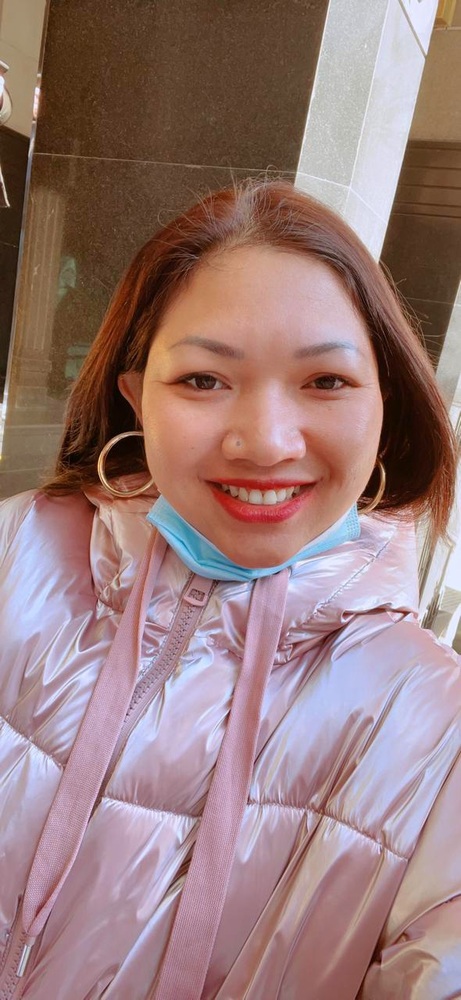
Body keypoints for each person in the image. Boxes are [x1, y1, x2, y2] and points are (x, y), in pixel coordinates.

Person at [0, 179, 459, 1000]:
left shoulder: (434, 724)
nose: (265, 442)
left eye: (325, 382)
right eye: (204, 380)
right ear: (136, 396)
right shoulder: (13, 556)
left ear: (384, 404)